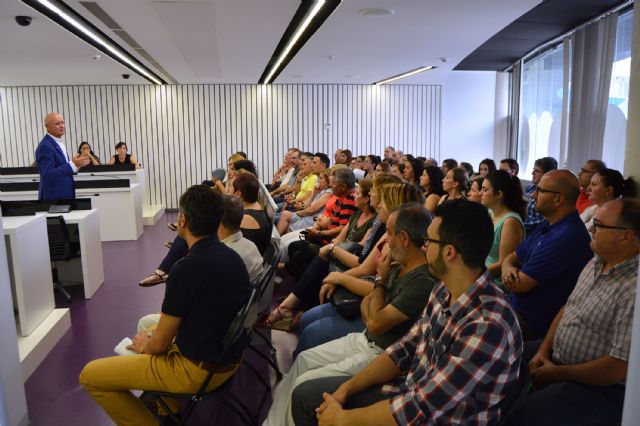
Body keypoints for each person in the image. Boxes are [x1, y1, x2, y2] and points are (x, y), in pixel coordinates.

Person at [291, 199, 523, 425]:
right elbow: (404, 349)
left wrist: (344, 419)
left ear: (449, 252)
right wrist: (346, 389)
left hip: (432, 415)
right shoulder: (444, 289)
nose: (423, 247)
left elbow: (421, 408)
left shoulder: (487, 325)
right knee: (310, 394)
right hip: (409, 390)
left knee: (309, 401)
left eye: (429, 242)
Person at [80, 185, 251, 425]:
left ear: (182, 219)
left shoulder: (185, 269)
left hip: (197, 371)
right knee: (148, 331)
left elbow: (159, 345)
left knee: (90, 375)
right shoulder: (233, 257)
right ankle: (166, 410)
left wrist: (145, 347)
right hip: (228, 361)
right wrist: (151, 341)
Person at [264, 203, 436, 426]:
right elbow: (368, 307)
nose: (385, 241)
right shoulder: (399, 265)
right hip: (364, 339)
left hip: (378, 352)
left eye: (390, 234)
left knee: (305, 382)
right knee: (304, 360)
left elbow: (374, 321)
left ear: (404, 238)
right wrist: (376, 299)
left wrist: (381, 283)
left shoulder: (421, 281)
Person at [507, 198, 639, 426]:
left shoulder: (634, 289)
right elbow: (569, 307)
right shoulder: (596, 261)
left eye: (599, 225)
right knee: (499, 358)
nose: (591, 229)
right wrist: (543, 351)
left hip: (598, 387)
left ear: (625, 236)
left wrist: (557, 373)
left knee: (522, 416)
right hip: (555, 355)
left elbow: (619, 367)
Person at [502, 170, 593, 340]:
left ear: (559, 199)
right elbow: (512, 257)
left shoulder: (568, 235)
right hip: (514, 306)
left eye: (540, 190)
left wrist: (507, 271)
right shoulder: (549, 225)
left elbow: (521, 284)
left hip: (531, 321)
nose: (534, 195)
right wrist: (507, 268)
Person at [139, 192, 264, 287]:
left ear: (217, 219)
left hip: (225, 317)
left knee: (145, 322)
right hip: (246, 312)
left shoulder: (219, 258)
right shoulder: (251, 246)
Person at [480, 170, 526, 283]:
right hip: (482, 273)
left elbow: (503, 264)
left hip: (496, 281)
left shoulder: (510, 222)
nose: (480, 193)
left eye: (485, 190)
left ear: (499, 194)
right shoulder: (490, 213)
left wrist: (474, 276)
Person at [35, 112, 90, 200]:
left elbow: (61, 168)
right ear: (47, 127)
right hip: (53, 199)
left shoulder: (57, 142)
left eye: (62, 122)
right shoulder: (46, 146)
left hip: (63, 197)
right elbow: (48, 174)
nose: (62, 126)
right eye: (57, 124)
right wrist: (72, 164)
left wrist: (76, 166)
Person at [523, 156, 558, 235]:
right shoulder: (529, 189)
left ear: (547, 175)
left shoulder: (551, 194)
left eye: (537, 171)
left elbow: (544, 220)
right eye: (533, 170)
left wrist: (518, 222)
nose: (532, 173)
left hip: (532, 232)